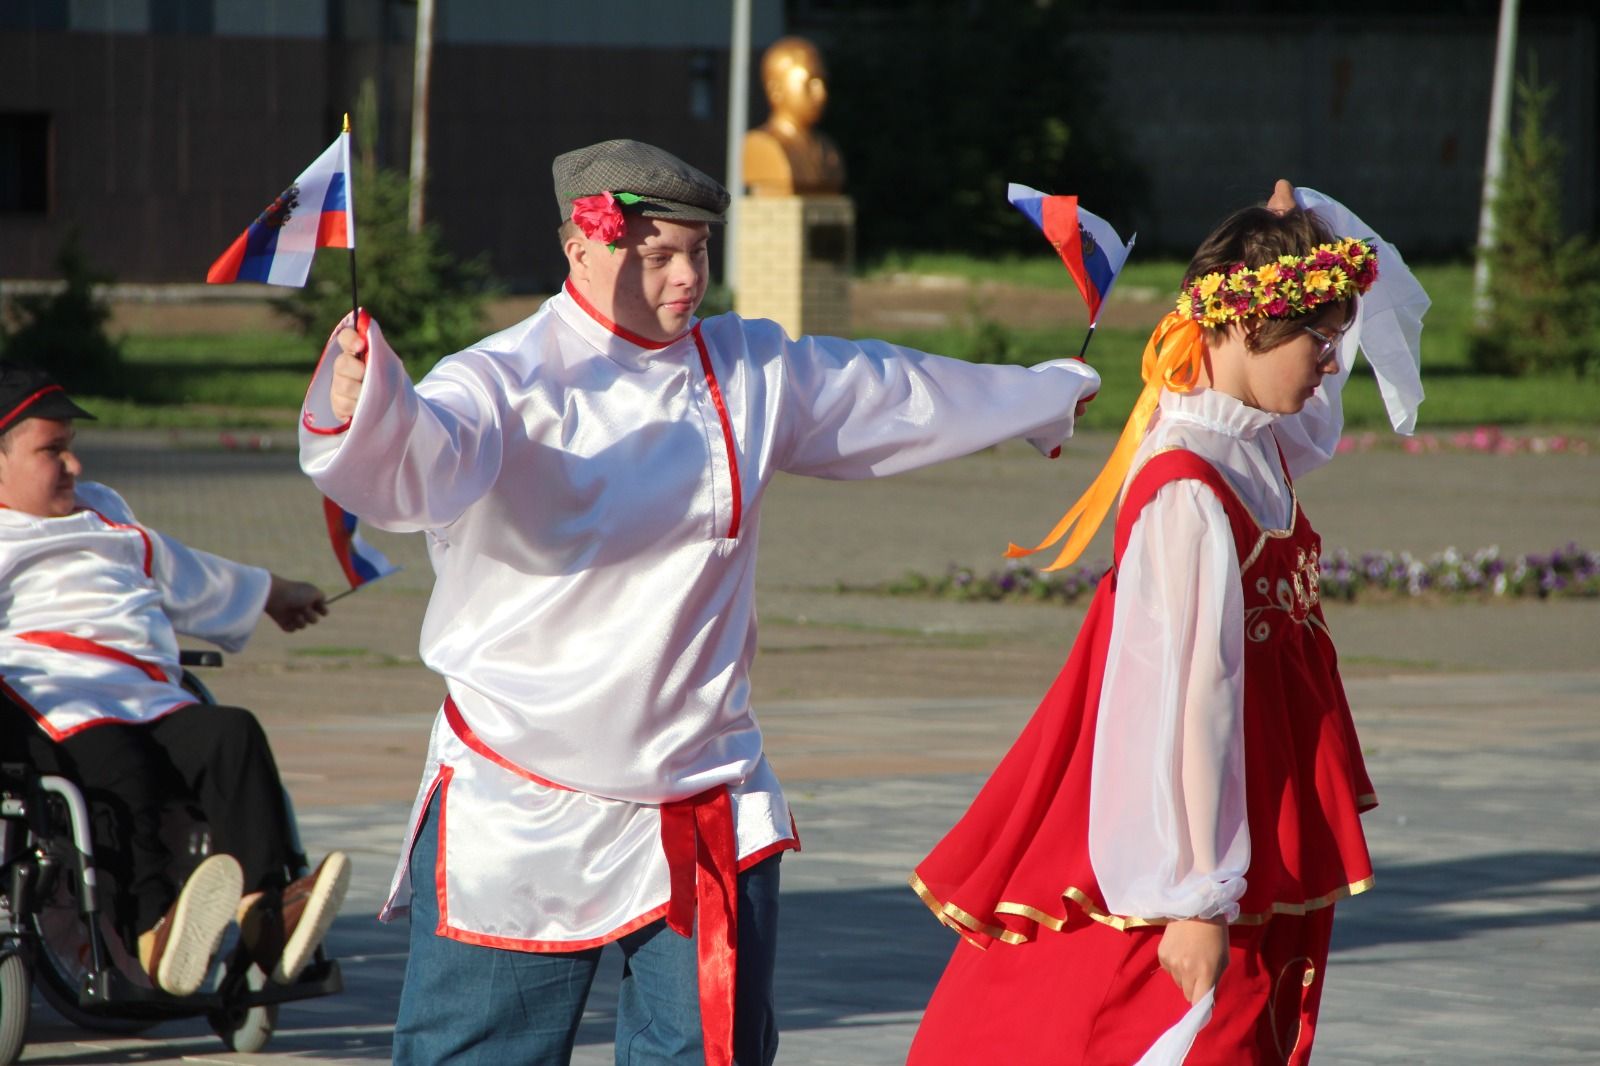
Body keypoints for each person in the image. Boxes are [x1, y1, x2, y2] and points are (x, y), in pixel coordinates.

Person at [298, 138, 1102, 1065]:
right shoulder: (499, 381)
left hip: (701, 792)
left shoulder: (748, 367)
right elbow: (419, 467)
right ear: (582, 248)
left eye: (698, 252)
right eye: (657, 256)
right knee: (478, 1055)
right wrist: (366, 406)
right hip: (520, 796)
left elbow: (893, 393)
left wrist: (1043, 394)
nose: (686, 279)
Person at [905, 182, 1428, 1065]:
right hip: (1195, 818)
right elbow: (1191, 700)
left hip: (1254, 794)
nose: (1332, 363)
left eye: (1338, 337)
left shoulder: (1256, 439)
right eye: (1316, 337)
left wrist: (1303, 223)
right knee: (1149, 1025)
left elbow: (1312, 423)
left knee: (1249, 1025)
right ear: (1236, 324)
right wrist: (1195, 897)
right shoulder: (1188, 485)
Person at [0, 366, 352, 997]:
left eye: (71, 445)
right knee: (122, 768)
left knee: (231, 735)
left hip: (150, 691)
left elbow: (185, 572)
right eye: (52, 450)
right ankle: (150, 928)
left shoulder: (104, 513)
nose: (74, 463)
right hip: (59, 696)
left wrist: (273, 593)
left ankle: (266, 910)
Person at [742, 35, 846, 196]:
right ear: (776, 90)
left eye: (822, 81)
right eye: (809, 82)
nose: (821, 93)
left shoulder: (828, 151)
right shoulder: (762, 146)